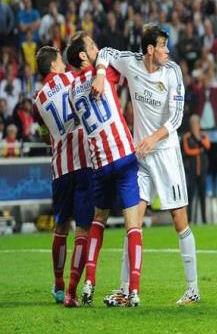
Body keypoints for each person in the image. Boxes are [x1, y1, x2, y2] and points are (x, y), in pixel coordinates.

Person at [91, 24, 200, 306]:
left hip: (165, 153)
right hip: (140, 158)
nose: (168, 51)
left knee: (179, 220)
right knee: (133, 222)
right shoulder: (132, 63)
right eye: (163, 46)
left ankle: (193, 289)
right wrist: (100, 74)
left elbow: (176, 118)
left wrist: (152, 138)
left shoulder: (172, 72)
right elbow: (105, 52)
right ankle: (125, 289)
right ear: (150, 49)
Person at [66, 31, 143, 307]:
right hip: (122, 155)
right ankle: (134, 290)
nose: (97, 47)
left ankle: (89, 282)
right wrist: (101, 70)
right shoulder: (105, 73)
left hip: (99, 163)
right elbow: (114, 59)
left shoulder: (72, 91)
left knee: (98, 220)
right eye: (91, 45)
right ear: (83, 55)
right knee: (133, 225)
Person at [32, 46, 93, 307]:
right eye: (60, 61)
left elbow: (45, 135)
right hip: (84, 162)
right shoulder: (72, 78)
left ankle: (58, 285)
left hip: (60, 168)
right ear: (54, 65)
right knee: (83, 228)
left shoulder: (37, 100)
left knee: (60, 228)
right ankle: (71, 291)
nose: (64, 64)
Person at [183, 114, 211, 224]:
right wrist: (199, 151)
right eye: (192, 124)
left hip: (202, 171)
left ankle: (204, 220)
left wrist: (198, 139)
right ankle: (189, 220)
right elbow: (187, 151)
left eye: (196, 123)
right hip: (191, 171)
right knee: (190, 197)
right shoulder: (187, 137)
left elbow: (207, 146)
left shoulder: (203, 136)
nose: (194, 126)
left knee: (202, 196)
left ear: (199, 124)